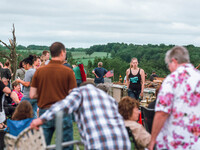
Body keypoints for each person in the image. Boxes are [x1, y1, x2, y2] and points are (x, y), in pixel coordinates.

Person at [30, 81, 131, 149]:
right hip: (123, 143)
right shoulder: (110, 99)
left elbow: (63, 105)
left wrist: (40, 120)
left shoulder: (81, 92)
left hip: (100, 145)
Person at [148, 46, 200, 150]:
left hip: (175, 141)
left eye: (168, 65)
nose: (169, 68)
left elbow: (162, 113)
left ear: (174, 61)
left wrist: (152, 139)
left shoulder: (172, 80)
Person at [30, 42, 77, 149]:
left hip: (44, 112)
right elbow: (73, 95)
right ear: (62, 53)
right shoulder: (68, 72)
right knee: (66, 146)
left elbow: (32, 94)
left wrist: (45, 93)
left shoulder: (39, 71)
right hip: (63, 112)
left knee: (42, 146)